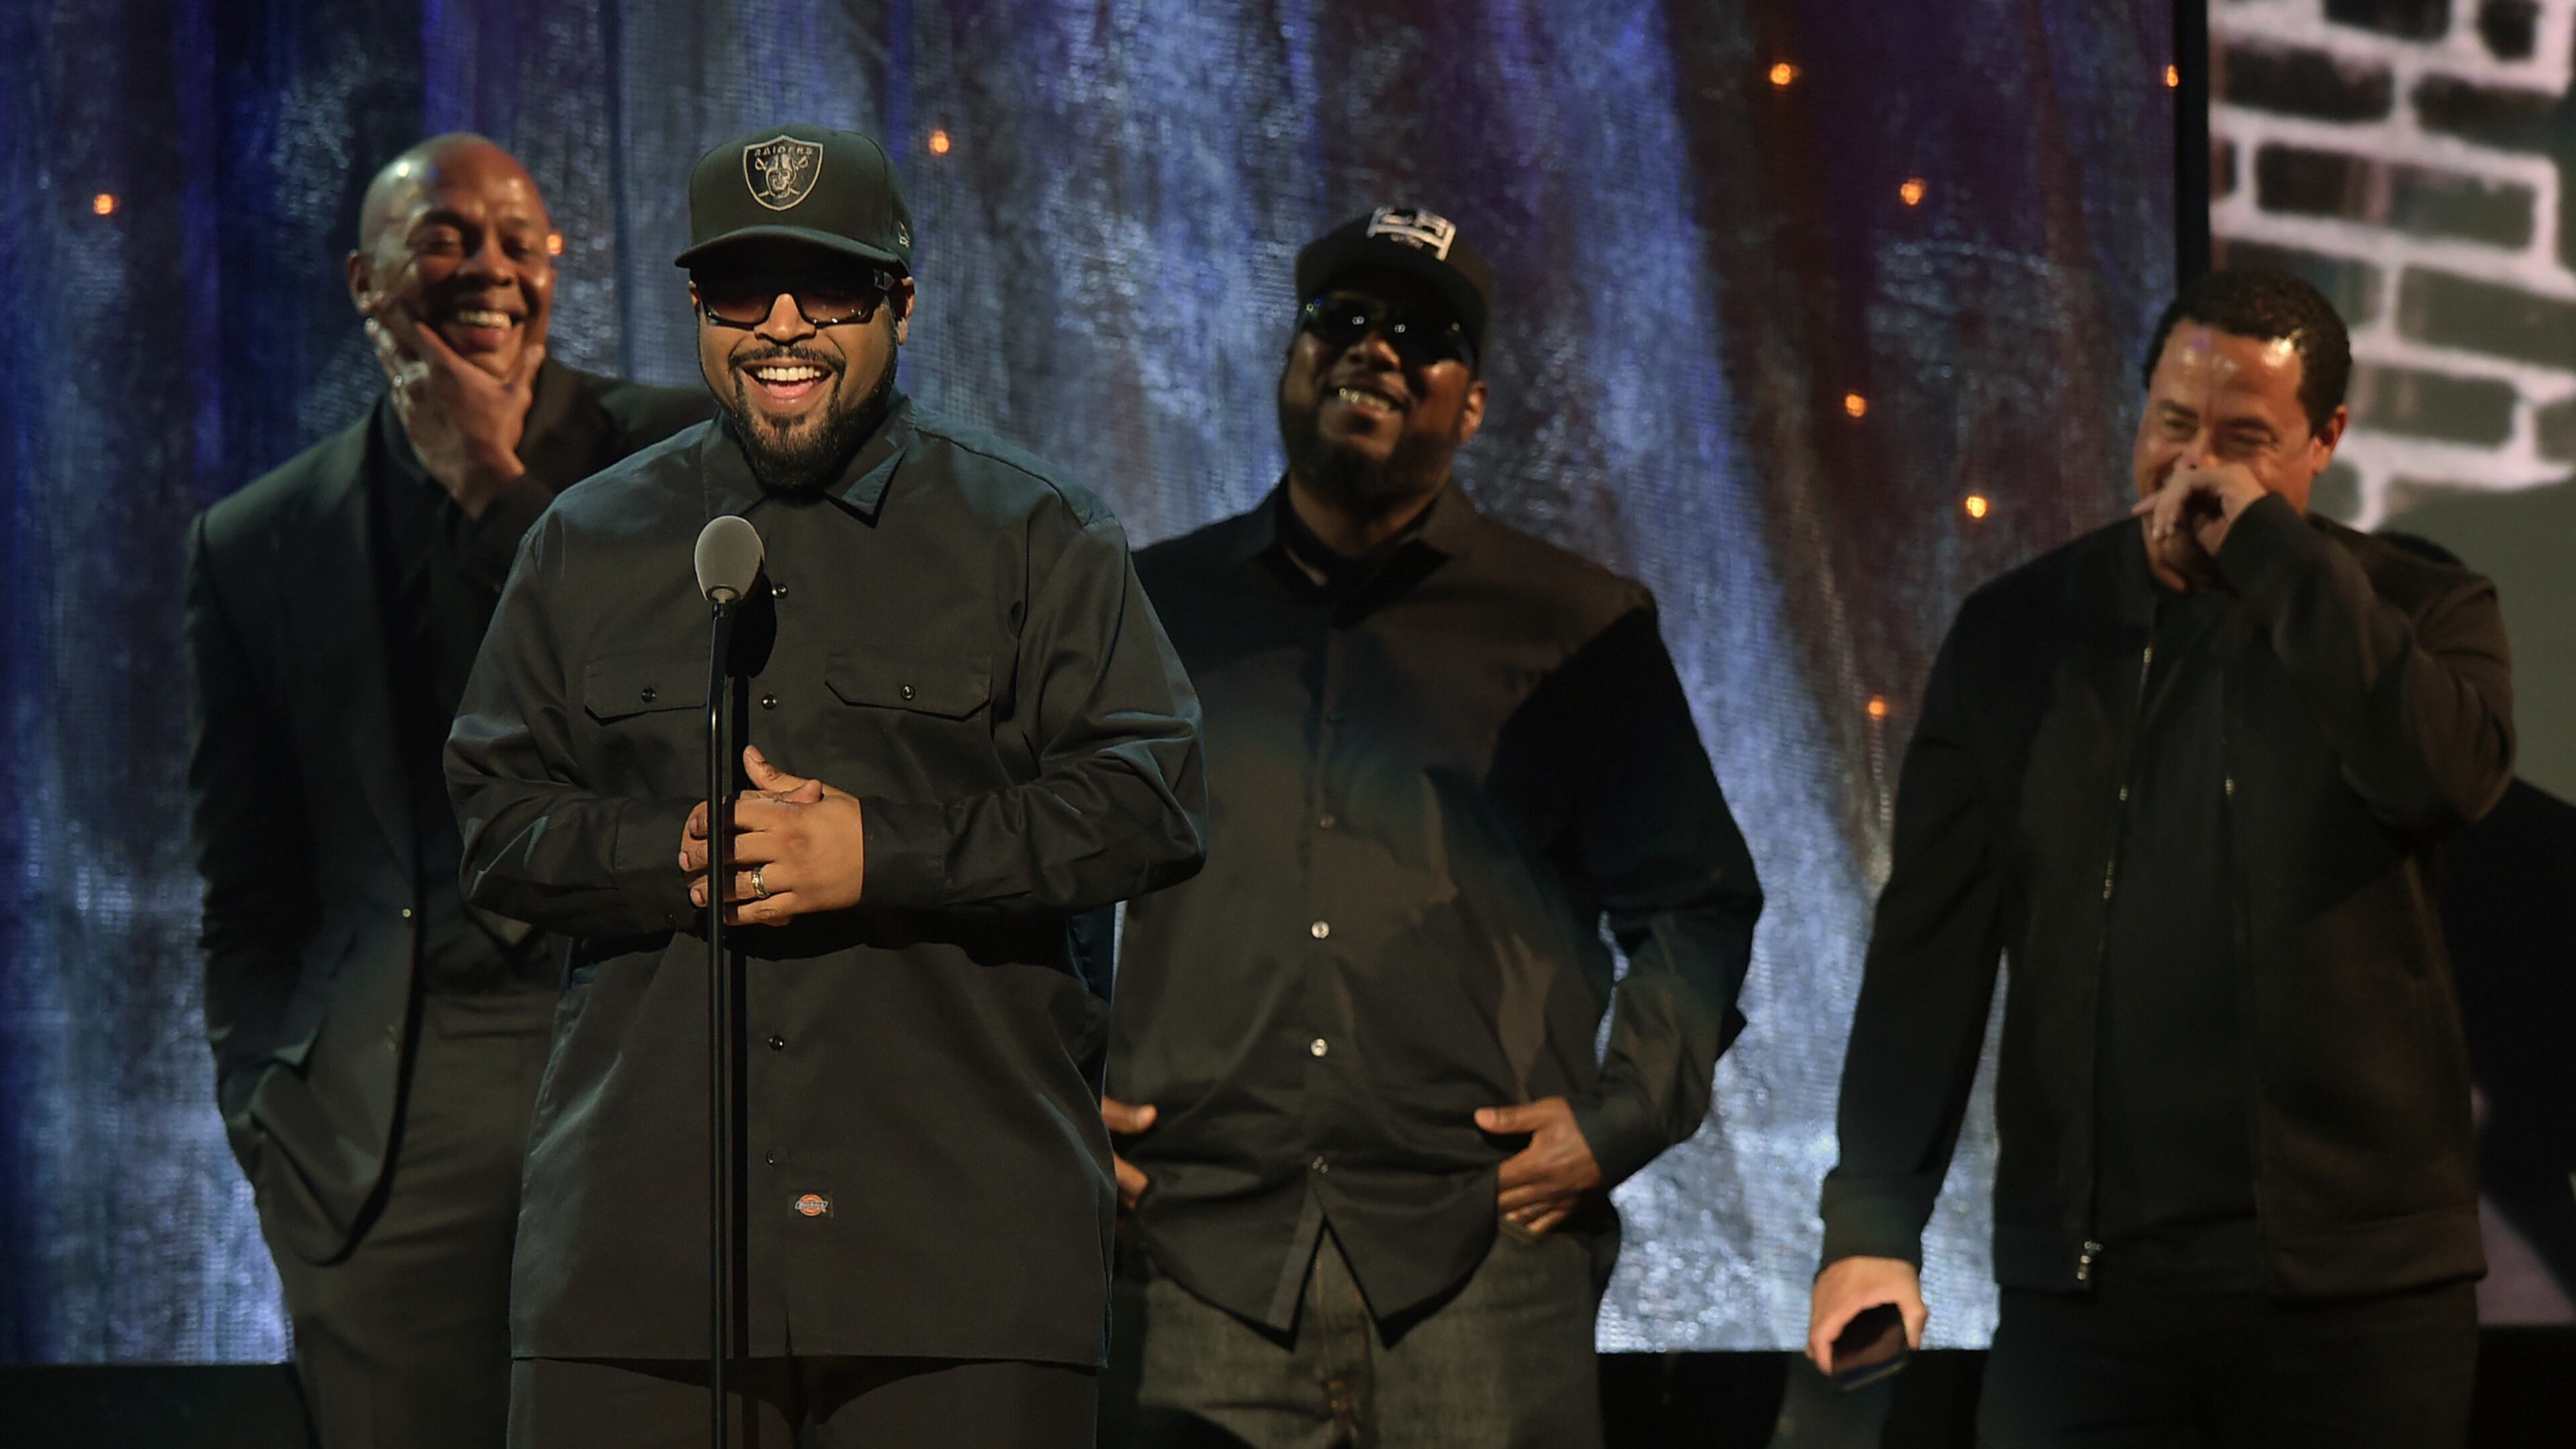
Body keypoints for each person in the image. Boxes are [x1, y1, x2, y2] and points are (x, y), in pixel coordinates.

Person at [443, 123, 1207, 1446]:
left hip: (958, 1271)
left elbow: (1152, 798)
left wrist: (884, 854)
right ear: (698, 311)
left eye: (831, 290)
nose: (783, 326)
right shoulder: (588, 540)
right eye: (744, 291)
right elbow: (495, 820)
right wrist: (669, 849)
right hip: (640, 1283)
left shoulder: (1033, 532)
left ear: (901, 307)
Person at [1806, 269, 2514, 1447]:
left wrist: (2277, 559)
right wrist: (1872, 1223)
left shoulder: (2424, 613)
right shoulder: (2019, 634)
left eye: (2247, 441)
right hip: (2091, 1300)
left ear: (2326, 439)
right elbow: (1929, 954)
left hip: (2358, 1305)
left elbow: (2439, 776)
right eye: (2174, 427)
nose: (2196, 471)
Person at [1103, 207, 1764, 1447]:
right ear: (1294, 361)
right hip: (1202, 1258)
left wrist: (1619, 1121)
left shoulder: (1578, 628)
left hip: (1481, 1268)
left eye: (1423, 334)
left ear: (1471, 406)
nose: (1376, 349)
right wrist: (1052, 1094)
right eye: (1342, 320)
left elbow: (1695, 902)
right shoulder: (1150, 607)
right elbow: (1034, 874)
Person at [184, 133, 706, 1448]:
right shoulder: (260, 538)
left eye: (515, 239)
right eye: (445, 239)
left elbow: (678, 736)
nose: (488, 267)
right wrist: (271, 1123)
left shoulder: (682, 459)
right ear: (366, 281)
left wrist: (498, 487)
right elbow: (250, 890)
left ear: (556, 266)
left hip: (644, 1075)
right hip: (384, 1133)